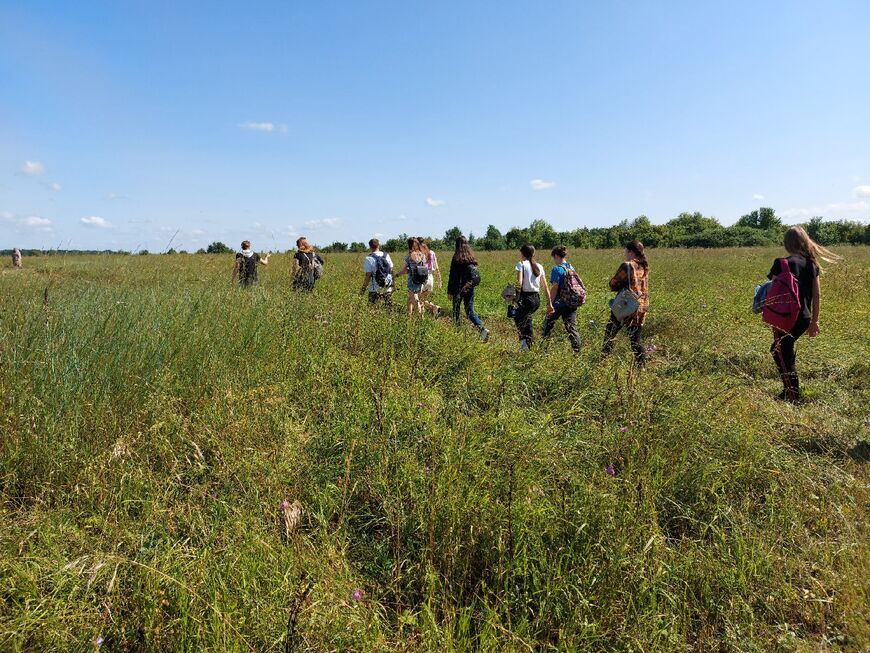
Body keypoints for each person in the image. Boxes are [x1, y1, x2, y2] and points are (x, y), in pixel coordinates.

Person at [765, 226, 839, 403]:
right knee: (782, 350)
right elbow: (817, 294)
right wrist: (815, 321)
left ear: (787, 243)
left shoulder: (781, 263)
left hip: (785, 317)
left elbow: (773, 290)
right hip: (804, 318)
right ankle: (789, 391)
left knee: (780, 351)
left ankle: (792, 396)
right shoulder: (812, 264)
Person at [602, 240, 649, 364]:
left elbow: (613, 284)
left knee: (610, 334)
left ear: (631, 252)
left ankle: (603, 361)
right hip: (641, 305)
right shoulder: (644, 266)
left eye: (626, 251)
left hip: (625, 304)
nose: (625, 254)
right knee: (635, 339)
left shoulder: (627, 265)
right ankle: (641, 367)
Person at [447, 236, 490, 342]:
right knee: (469, 311)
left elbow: (453, 276)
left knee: (456, 311)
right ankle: (482, 329)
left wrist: (450, 291)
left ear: (457, 245)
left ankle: (457, 334)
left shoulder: (456, 257)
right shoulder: (471, 257)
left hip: (458, 288)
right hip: (469, 287)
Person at [542, 245, 581, 353]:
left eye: (553, 257)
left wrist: (550, 303)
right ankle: (577, 352)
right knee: (571, 329)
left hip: (559, 303)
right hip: (571, 302)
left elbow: (555, 288)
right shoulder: (571, 267)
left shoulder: (557, 269)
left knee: (547, 326)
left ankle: (543, 351)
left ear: (556, 256)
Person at [514, 244, 548, 351]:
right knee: (525, 319)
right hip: (536, 299)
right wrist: (549, 302)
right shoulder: (539, 266)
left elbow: (519, 283)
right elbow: (545, 286)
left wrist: (515, 298)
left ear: (523, 253)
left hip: (525, 297)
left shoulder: (521, 265)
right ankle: (527, 344)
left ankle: (526, 346)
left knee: (520, 319)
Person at [393, 237, 428, 316]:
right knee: (410, 298)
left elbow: (405, 270)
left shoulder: (410, 255)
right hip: (421, 279)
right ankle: (409, 314)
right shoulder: (422, 255)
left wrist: (396, 275)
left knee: (415, 300)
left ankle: (420, 316)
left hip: (413, 280)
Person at [360, 238, 394, 306]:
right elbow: (391, 270)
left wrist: (363, 288)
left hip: (374, 288)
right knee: (389, 307)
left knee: (371, 307)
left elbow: (368, 275)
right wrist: (393, 284)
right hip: (387, 286)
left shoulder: (368, 258)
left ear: (370, 247)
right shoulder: (386, 255)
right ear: (379, 245)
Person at [418, 237, 443, 317]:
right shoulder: (432, 253)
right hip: (430, 278)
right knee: (422, 298)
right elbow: (437, 268)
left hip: (421, 278)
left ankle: (422, 317)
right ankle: (434, 307)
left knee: (417, 299)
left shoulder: (417, 253)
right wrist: (439, 280)